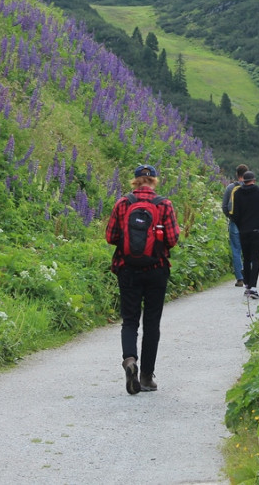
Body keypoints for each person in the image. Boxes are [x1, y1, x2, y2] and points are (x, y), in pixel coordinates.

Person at [105, 164, 180, 395]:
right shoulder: (164, 205)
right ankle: (147, 377)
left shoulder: (123, 203)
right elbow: (172, 238)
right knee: (151, 323)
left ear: (135, 181)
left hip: (127, 268)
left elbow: (111, 236)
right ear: (154, 181)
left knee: (129, 321)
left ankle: (129, 361)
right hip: (157, 269)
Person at [229, 170, 259, 299]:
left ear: (243, 181)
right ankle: (253, 288)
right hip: (257, 230)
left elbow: (235, 215)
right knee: (255, 259)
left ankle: (247, 286)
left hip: (243, 231)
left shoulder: (237, 193)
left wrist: (240, 226)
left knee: (246, 258)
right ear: (254, 180)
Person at [221, 164, 248, 287]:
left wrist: (231, 217)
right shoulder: (251, 188)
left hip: (235, 223)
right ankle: (248, 275)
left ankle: (240, 278)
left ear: (237, 175)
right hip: (248, 223)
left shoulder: (230, 188)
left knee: (236, 250)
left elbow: (225, 206)